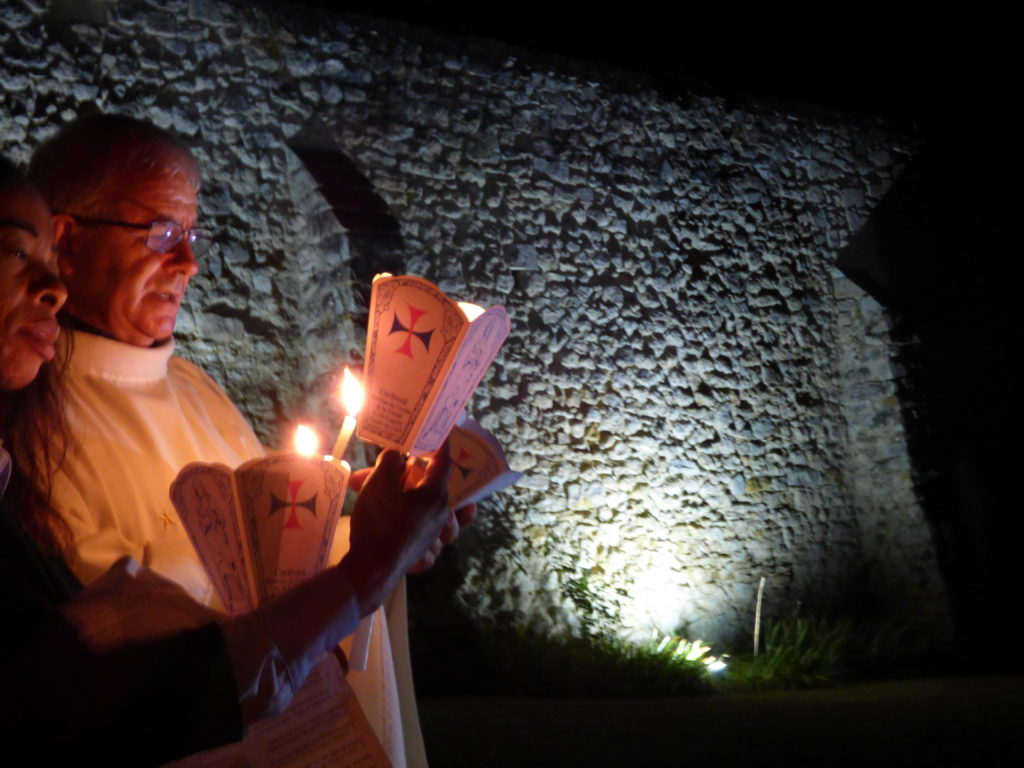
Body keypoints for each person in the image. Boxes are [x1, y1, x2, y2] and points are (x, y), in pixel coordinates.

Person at [28, 114, 471, 766]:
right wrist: (361, 567)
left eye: (192, 233)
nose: (190, 261)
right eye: (162, 233)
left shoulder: (198, 390)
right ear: (66, 243)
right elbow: (127, 665)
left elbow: (274, 561)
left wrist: (380, 532)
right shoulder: (34, 422)